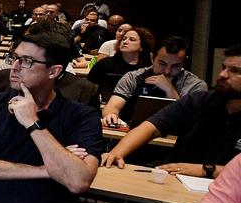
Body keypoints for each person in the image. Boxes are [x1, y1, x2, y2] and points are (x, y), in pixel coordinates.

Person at [0, 25, 102, 203]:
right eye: (14, 58)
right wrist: (46, 170)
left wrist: (32, 123)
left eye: (27, 61)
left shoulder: (82, 116)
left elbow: (78, 181)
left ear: (54, 71)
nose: (14, 66)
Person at [101, 46, 241, 177]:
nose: (222, 74)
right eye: (223, 68)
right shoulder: (200, 100)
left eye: (235, 71)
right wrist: (117, 153)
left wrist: (207, 170)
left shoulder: (195, 84)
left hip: (229, 191)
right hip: (176, 177)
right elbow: (150, 127)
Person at [101, 37, 208, 127]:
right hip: (132, 135)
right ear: (152, 58)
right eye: (162, 63)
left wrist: (170, 91)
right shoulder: (134, 77)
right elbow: (111, 107)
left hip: (174, 144)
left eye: (175, 66)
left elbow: (192, 123)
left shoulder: (196, 85)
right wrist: (111, 115)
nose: (167, 71)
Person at [87, 26, 151, 102]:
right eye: (124, 39)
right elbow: (89, 90)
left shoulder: (146, 69)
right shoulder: (104, 64)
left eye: (132, 40)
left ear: (142, 47)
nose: (125, 42)